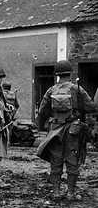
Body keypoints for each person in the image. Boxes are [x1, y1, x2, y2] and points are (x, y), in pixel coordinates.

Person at [37, 60, 96, 200]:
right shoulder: (77, 89)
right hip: (73, 130)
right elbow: (91, 107)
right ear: (69, 73)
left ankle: (56, 192)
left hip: (55, 130)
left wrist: (43, 126)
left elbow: (42, 112)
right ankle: (71, 193)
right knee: (72, 160)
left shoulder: (51, 90)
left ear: (57, 74)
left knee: (56, 160)